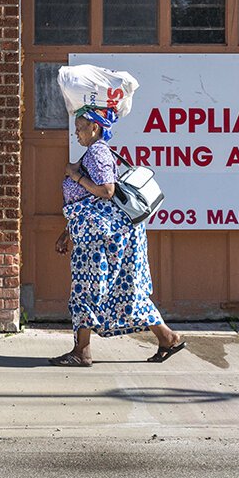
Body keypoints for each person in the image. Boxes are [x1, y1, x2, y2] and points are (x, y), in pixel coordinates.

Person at [50, 105, 186, 367]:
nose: (76, 133)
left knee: (86, 290)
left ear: (95, 127)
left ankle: (82, 352)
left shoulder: (98, 152)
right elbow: (86, 202)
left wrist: (75, 175)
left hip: (103, 239)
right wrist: (65, 233)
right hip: (100, 234)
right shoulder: (93, 153)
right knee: (124, 290)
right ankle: (168, 338)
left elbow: (106, 191)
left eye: (80, 128)